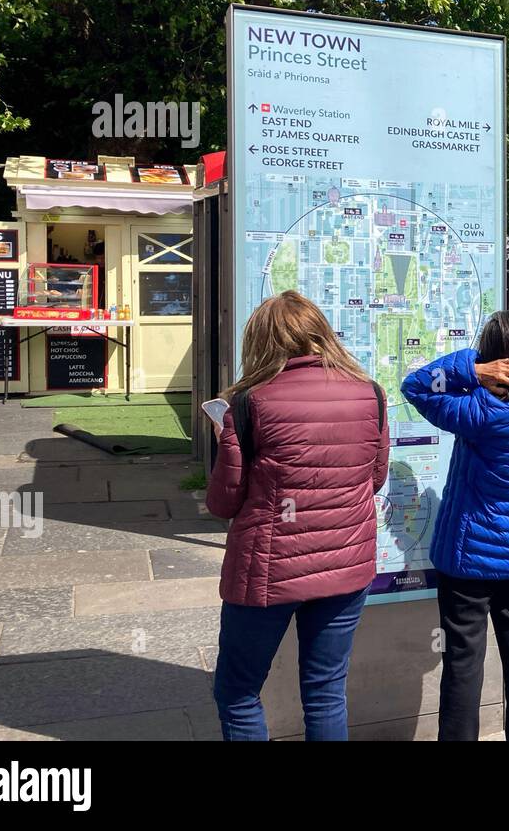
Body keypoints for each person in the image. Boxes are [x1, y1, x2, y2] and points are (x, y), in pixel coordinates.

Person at [208, 290, 390, 742]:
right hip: (346, 568)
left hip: (269, 572)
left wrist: (223, 443)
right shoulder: (370, 394)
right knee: (327, 691)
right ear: (321, 334)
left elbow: (223, 502)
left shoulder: (249, 404)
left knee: (238, 690)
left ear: (263, 342)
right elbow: (376, 479)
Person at [401, 310, 509, 742]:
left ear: (496, 356)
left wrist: (472, 370)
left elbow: (417, 385)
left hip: (469, 562)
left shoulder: (482, 409)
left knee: (463, 660)